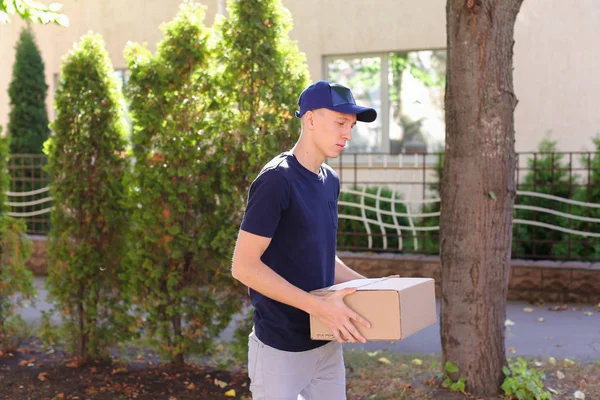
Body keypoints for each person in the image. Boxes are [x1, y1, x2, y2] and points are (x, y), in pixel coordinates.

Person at [231, 80, 378, 400]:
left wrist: (373, 287)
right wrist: (319, 307)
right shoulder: (276, 180)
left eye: (351, 126)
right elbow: (243, 266)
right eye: (341, 123)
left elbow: (322, 256)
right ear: (310, 119)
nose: (347, 135)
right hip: (280, 349)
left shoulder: (330, 182)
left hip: (327, 343)